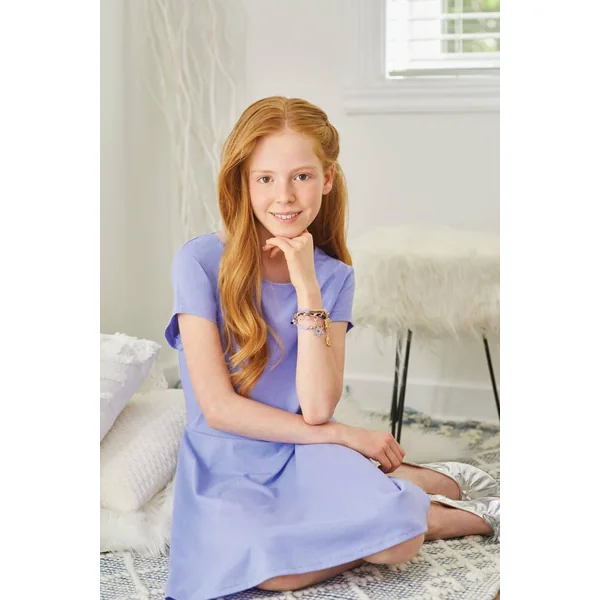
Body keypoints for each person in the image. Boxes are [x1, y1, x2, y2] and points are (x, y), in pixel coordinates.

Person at [163, 96, 500, 600]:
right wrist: (346, 436)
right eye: (265, 178)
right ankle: (424, 503)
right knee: (270, 571)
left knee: (399, 543)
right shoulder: (198, 262)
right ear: (243, 182)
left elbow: (318, 405)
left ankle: (439, 506)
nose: (284, 196)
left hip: (304, 448)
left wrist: (306, 285)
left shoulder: (333, 276)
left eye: (301, 176)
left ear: (327, 178)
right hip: (225, 460)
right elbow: (218, 408)